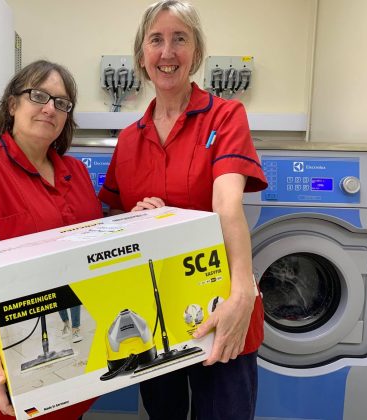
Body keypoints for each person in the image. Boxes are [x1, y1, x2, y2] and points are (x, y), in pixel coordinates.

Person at [97, 2, 268, 419]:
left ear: (196, 52)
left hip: (219, 302)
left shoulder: (226, 117)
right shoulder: (129, 140)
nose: (167, 52)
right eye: (156, 40)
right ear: (142, 55)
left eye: (180, 39)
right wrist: (136, 216)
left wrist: (242, 291)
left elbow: (226, 203)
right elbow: (115, 225)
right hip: (155, 316)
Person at [0, 60, 102, 420]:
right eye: (38, 96)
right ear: (12, 105)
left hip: (69, 348)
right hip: (1, 353)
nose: (49, 108)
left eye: (61, 103)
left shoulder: (76, 173)